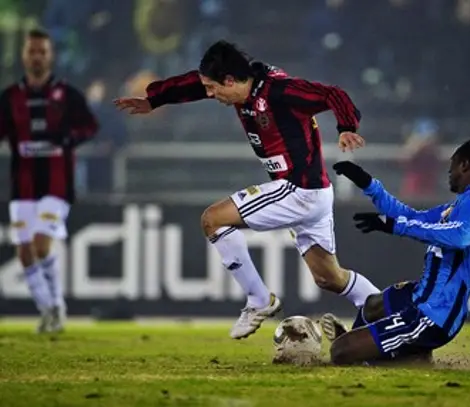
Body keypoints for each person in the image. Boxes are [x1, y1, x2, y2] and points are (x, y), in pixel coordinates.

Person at [113, 40, 380, 340]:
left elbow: (332, 94)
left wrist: (346, 127)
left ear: (230, 80)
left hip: (297, 190)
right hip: (313, 193)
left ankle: (259, 300)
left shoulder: (280, 91)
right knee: (330, 278)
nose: (210, 95)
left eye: (214, 88)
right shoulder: (239, 86)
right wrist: (154, 100)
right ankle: (388, 313)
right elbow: (193, 84)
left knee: (212, 220)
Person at [320, 139, 470, 365]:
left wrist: (393, 225)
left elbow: (461, 236)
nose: (449, 172)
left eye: (452, 165)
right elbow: (411, 217)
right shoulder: (458, 205)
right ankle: (383, 351)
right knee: (373, 305)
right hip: (422, 295)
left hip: (435, 313)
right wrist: (368, 184)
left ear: (465, 165)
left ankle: (393, 357)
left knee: (340, 352)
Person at [0, 28, 99, 333]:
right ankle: (48, 308)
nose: (37, 57)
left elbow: (90, 127)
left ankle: (57, 306)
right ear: (24, 55)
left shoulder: (67, 95)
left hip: (57, 183)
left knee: (41, 243)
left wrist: (69, 137)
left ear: (50, 55)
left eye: (42, 51)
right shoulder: (10, 97)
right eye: (32, 51)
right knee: (24, 251)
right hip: (23, 184)